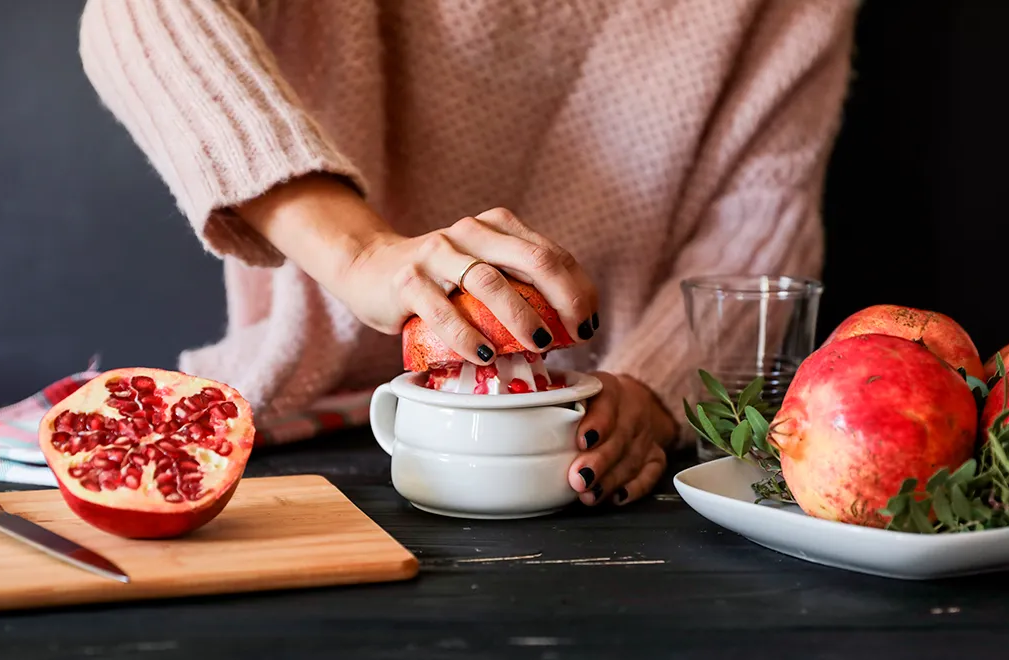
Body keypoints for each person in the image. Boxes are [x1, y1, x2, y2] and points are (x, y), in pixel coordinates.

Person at [77, 0, 857, 507]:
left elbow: (758, 220)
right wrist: (359, 255)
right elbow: (143, 17)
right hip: (296, 441)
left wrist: (650, 393)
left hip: (593, 459)